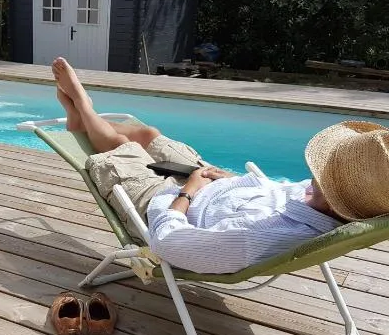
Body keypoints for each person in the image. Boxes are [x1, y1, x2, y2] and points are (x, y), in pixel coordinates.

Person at [51, 57, 389, 274]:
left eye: (324, 172)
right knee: (148, 134)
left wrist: (187, 194)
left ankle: (84, 109)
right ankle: (85, 120)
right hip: (212, 183)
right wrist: (232, 180)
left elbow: (168, 243)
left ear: (333, 196)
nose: (314, 174)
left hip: (165, 202)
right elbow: (276, 193)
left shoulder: (254, 239)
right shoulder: (326, 204)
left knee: (124, 147)